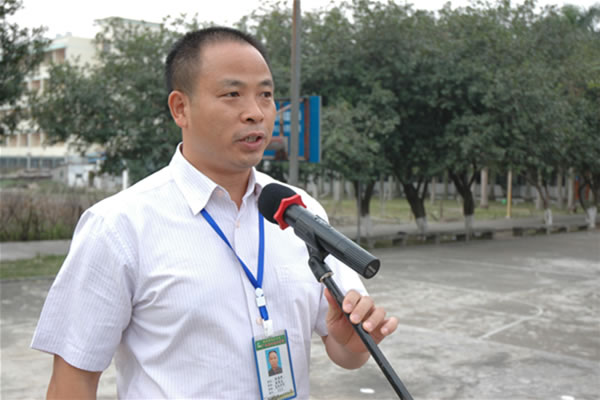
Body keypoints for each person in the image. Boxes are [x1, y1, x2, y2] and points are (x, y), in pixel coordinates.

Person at [31, 26, 398, 399]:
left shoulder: (298, 211)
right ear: (181, 108)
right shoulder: (119, 226)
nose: (255, 113)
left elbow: (345, 352)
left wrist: (352, 341)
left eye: (266, 95)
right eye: (232, 94)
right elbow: (71, 382)